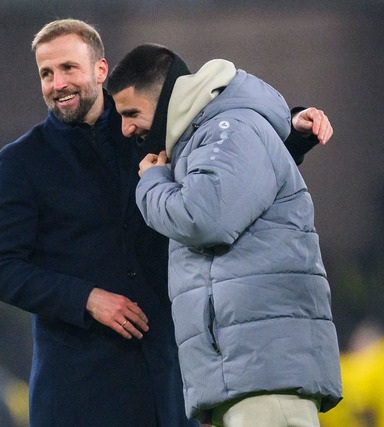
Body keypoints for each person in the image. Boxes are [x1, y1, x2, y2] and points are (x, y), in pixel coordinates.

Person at [0, 19, 333, 427]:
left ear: (100, 70)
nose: (57, 83)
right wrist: (86, 299)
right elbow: (1, 269)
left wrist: (292, 132)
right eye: (46, 73)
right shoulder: (22, 161)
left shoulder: (148, 129)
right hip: (80, 386)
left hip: (170, 375)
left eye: (68, 69)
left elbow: (225, 151)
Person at [106, 43, 342, 426]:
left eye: (132, 113)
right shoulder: (210, 135)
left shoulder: (228, 129)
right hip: (247, 375)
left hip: (265, 376)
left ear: (166, 100)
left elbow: (203, 219)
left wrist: (151, 184)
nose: (126, 129)